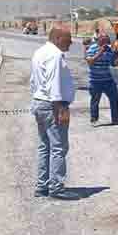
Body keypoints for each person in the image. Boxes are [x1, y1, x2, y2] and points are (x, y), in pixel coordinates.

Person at [29, 27, 79, 200]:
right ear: (58, 38)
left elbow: (33, 81)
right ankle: (56, 188)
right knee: (58, 147)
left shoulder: (39, 52)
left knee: (45, 146)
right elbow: (54, 83)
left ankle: (42, 186)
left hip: (39, 103)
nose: (71, 42)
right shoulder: (55, 55)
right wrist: (61, 108)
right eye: (68, 38)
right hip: (52, 106)